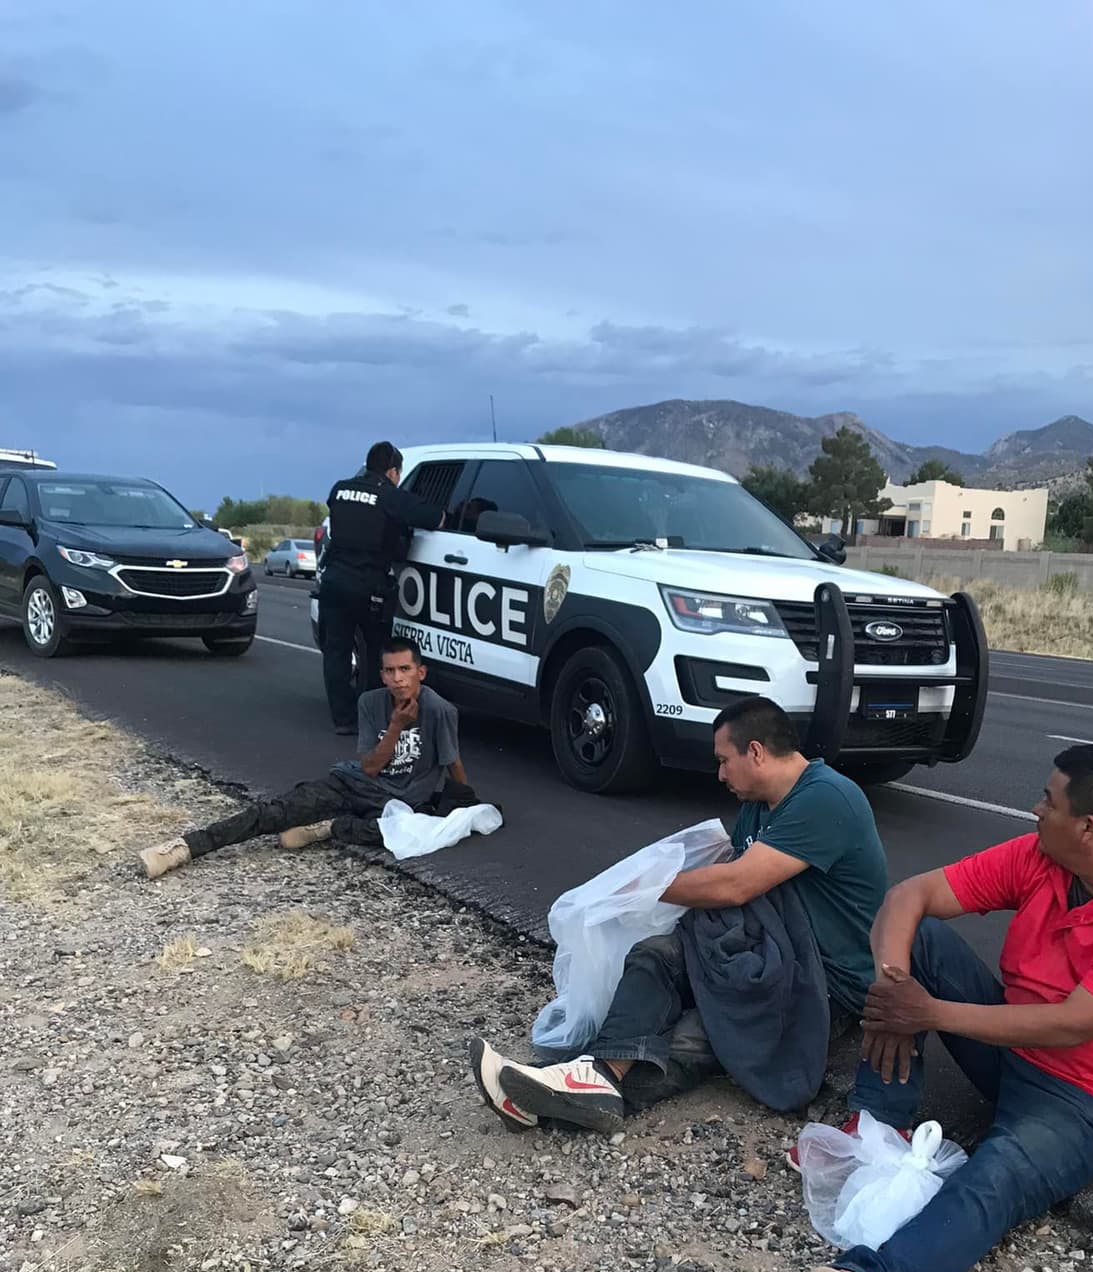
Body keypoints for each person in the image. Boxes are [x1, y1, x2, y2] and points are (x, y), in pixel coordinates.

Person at [781, 744, 1093, 1272]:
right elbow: (912, 896)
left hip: (1092, 1102)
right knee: (918, 945)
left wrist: (928, 1012)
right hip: (1015, 1052)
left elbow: (1074, 1023)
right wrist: (891, 994)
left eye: (1049, 801)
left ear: (1088, 828)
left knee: (997, 1175)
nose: (1035, 809)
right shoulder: (1048, 858)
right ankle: (877, 1123)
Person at [470, 696, 888, 1134]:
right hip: (763, 948)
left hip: (822, 977)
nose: (720, 774)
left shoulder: (827, 798)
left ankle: (549, 1102)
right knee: (654, 954)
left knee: (701, 1029)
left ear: (757, 752)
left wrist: (642, 888)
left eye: (724, 761)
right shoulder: (758, 804)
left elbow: (735, 884)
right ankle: (587, 1076)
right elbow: (730, 872)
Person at [138, 638, 476, 877]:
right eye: (390, 671)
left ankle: (327, 828)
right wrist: (395, 726)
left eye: (405, 669)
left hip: (397, 803)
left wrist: (467, 800)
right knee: (276, 812)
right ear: (382, 674)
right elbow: (371, 767)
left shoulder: (440, 710)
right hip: (354, 783)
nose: (398, 679)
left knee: (404, 835)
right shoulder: (371, 703)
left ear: (421, 672)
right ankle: (184, 848)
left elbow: (452, 761)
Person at [320, 441, 445, 734]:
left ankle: (343, 719)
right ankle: (374, 717)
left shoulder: (339, 489)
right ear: (392, 471)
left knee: (336, 652)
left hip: (334, 581)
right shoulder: (390, 496)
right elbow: (434, 518)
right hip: (368, 586)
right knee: (379, 654)